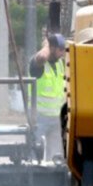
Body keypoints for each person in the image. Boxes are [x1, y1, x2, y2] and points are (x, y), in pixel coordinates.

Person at [29, 33, 68, 164]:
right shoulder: (38, 64)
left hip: (56, 118)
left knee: (55, 158)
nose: (63, 52)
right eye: (60, 49)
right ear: (51, 48)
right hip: (39, 118)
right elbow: (41, 57)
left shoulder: (60, 64)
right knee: (35, 158)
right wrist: (47, 45)